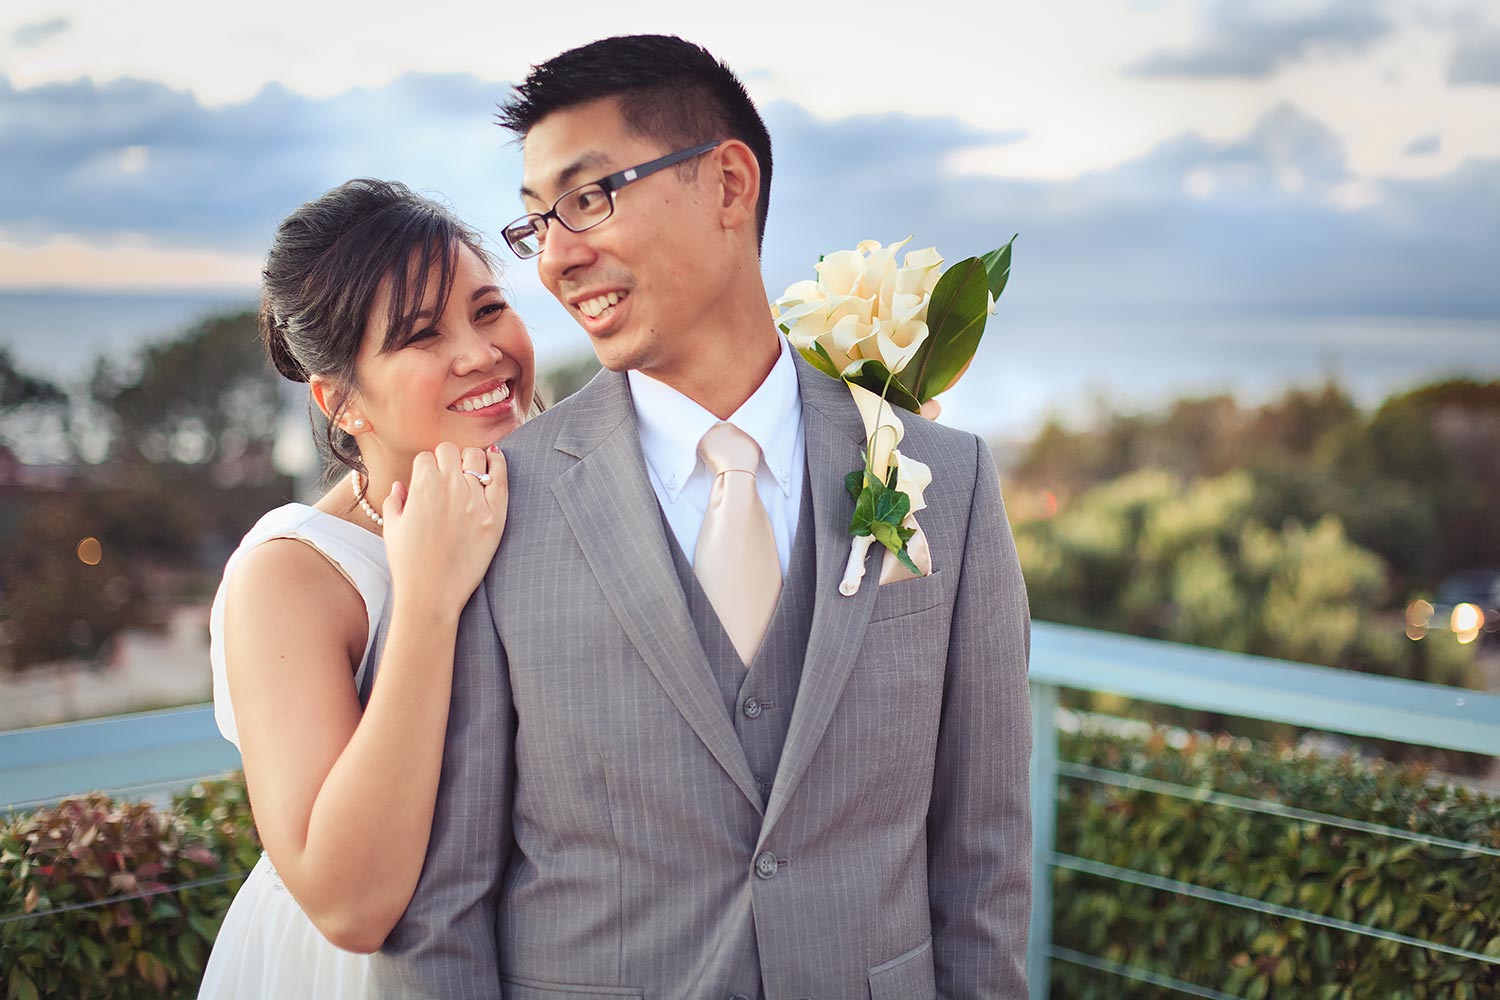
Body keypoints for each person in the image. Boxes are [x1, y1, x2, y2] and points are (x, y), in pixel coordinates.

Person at [370, 34, 1032, 1000]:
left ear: (729, 184)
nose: (555, 258)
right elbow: (439, 913)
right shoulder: (490, 505)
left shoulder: (950, 482)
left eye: (589, 198)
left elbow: (984, 862)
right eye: (536, 225)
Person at [199, 178, 534, 998]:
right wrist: (426, 598)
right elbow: (349, 902)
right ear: (341, 400)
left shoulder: (547, 485)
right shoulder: (292, 574)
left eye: (488, 310)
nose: (480, 352)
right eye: (423, 335)